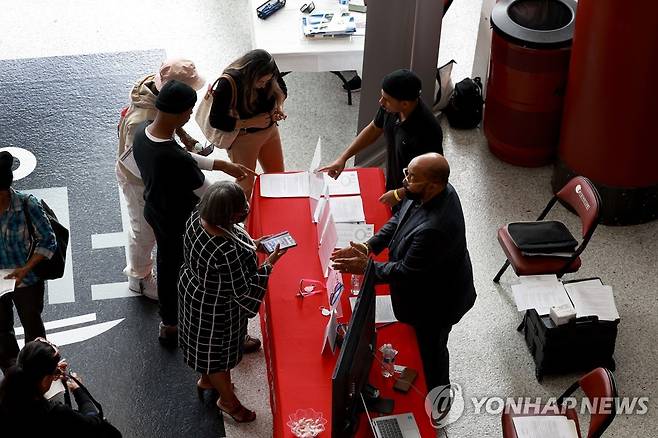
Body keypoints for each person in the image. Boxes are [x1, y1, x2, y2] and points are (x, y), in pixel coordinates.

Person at [331, 153, 476, 394]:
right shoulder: (426, 191)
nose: (405, 181)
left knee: (432, 350)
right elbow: (400, 218)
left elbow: (407, 271)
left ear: (433, 185)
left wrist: (366, 267)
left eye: (412, 177)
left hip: (438, 303)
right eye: (407, 173)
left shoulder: (435, 229)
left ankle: (439, 395)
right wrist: (370, 246)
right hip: (427, 280)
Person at [132, 80, 256, 347]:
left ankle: (169, 323)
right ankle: (213, 328)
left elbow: (178, 154)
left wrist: (219, 164)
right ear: (178, 113)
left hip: (155, 209)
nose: (190, 116)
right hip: (181, 221)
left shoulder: (143, 132)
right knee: (199, 273)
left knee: (166, 264)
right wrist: (238, 203)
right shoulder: (173, 158)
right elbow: (210, 197)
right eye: (189, 112)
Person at [178, 181, 286, 423]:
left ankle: (207, 380)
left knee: (204, 349)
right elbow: (244, 293)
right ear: (229, 216)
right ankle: (227, 401)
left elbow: (233, 236)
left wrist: (253, 244)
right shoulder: (227, 251)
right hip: (216, 309)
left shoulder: (197, 216)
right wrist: (269, 264)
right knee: (217, 357)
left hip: (193, 293)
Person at [116, 58, 206, 301]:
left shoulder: (153, 93)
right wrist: (174, 167)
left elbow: (166, 126)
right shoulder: (141, 121)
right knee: (143, 232)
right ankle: (140, 278)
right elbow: (140, 165)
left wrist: (184, 139)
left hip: (150, 177)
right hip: (139, 183)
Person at [319, 69, 443, 210]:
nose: (381, 102)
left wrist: (398, 194)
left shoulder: (428, 131)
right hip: (394, 185)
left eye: (387, 100)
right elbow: (374, 129)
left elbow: (430, 178)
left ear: (405, 104)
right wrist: (343, 157)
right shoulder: (390, 109)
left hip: (413, 201)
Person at [0, 152, 57, 373]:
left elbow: (48, 241)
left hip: (27, 281)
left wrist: (26, 269)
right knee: (2, 332)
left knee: (33, 329)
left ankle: (36, 374)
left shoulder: (27, 204)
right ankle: (13, 374)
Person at [209, 49, 287, 199]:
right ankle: (244, 219)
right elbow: (216, 120)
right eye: (261, 82)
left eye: (268, 81)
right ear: (249, 75)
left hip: (270, 132)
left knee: (278, 175)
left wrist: (279, 107)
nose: (264, 86)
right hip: (244, 139)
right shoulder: (228, 82)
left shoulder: (269, 68)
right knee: (245, 185)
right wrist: (250, 122)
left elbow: (282, 89)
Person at [0, 339, 117, 436]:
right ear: (45, 380)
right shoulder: (56, 414)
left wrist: (51, 372)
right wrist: (79, 391)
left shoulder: (7, 397)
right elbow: (93, 422)